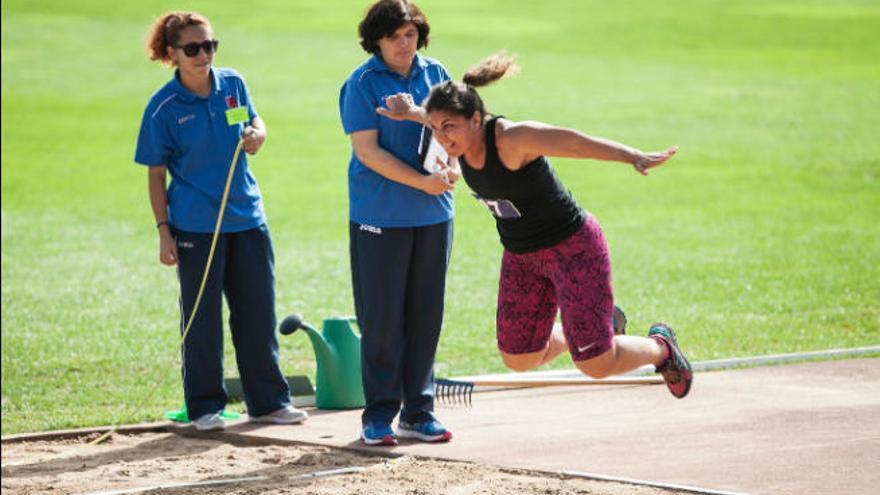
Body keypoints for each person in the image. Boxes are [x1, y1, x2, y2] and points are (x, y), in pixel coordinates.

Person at [381, 53, 693, 398]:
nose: (441, 138)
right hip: (522, 257)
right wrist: (409, 112)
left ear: (475, 119)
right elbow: (434, 119)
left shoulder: (513, 139)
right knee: (520, 357)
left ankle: (661, 347)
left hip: (573, 247)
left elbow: (575, 142)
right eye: (436, 128)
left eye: (448, 127)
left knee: (595, 365)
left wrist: (632, 155)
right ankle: (595, 329)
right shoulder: (455, 133)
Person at [134, 11, 308, 431]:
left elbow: (254, 119)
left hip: (247, 217)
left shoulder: (233, 83)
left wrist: (259, 134)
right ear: (172, 53)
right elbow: (155, 175)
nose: (203, 55)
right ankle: (205, 407)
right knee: (202, 319)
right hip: (196, 226)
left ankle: (268, 402)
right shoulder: (163, 108)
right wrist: (164, 232)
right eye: (192, 48)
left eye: (209, 45)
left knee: (257, 314)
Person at [338, 0, 458, 446]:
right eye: (394, 37)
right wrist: (421, 182)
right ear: (377, 41)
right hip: (380, 215)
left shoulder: (436, 72)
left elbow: (455, 133)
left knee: (426, 315)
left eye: (410, 35)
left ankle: (419, 412)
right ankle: (379, 415)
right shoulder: (362, 83)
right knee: (383, 317)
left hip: (434, 214)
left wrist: (451, 171)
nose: (404, 44)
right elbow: (367, 151)